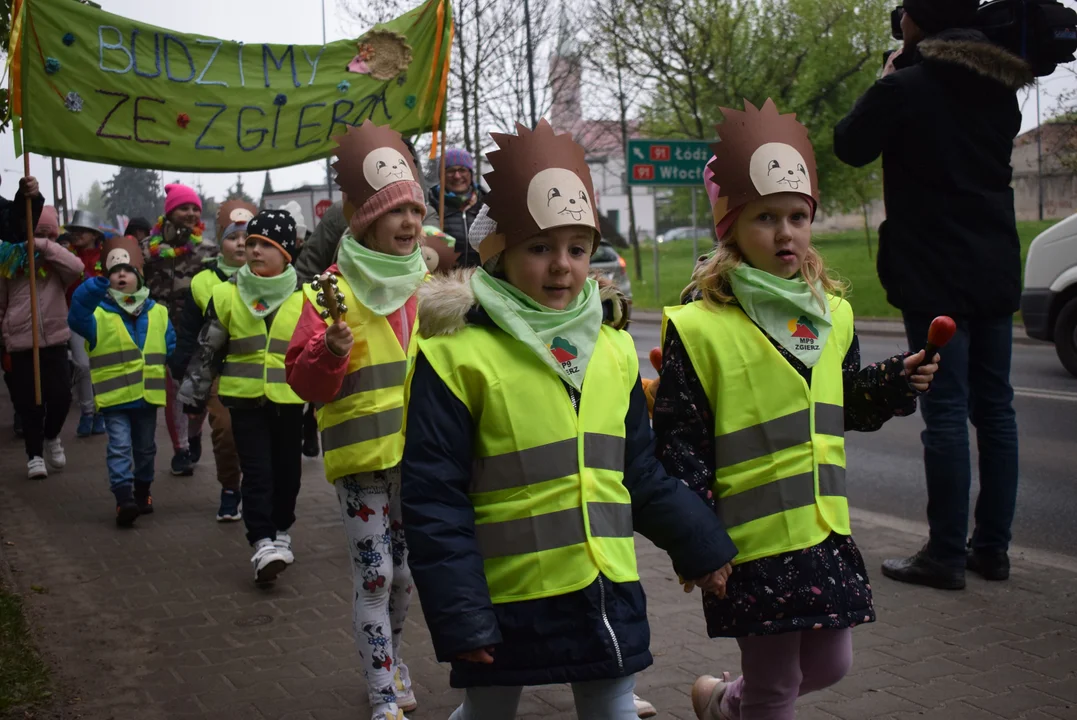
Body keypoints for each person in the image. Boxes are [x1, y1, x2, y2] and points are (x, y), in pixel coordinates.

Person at [400, 119, 734, 720]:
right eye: (539, 247)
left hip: (603, 591)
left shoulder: (609, 350)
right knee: (488, 713)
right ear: (499, 253)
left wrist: (702, 546)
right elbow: (434, 502)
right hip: (505, 602)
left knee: (613, 708)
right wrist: (462, 615)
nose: (562, 266)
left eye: (577, 249)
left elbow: (640, 472)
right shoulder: (454, 357)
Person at [646, 99, 938, 720]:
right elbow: (680, 446)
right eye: (766, 218)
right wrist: (699, 546)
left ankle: (723, 701)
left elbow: (843, 403)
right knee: (776, 689)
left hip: (822, 532)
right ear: (730, 229)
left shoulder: (833, 313)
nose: (785, 233)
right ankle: (739, 704)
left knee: (833, 664)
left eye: (797, 217)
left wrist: (895, 382)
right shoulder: (699, 327)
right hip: (746, 547)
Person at [833, 0, 1031, 589]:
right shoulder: (1001, 89)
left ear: (918, 21)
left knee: (943, 410)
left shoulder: (907, 88)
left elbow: (849, 143)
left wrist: (891, 75)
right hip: (994, 265)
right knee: (996, 410)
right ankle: (991, 549)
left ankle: (944, 554)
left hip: (933, 272)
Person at [285, 121, 431, 720]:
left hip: (417, 462)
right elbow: (303, 379)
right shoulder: (326, 293)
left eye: (416, 213)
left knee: (404, 581)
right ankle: (380, 696)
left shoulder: (431, 288)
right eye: (396, 212)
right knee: (376, 578)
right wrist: (332, 349)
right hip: (361, 465)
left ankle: (393, 662)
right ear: (365, 219)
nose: (410, 224)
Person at [178, 209, 305, 583]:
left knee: (289, 472)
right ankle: (262, 541)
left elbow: (315, 351)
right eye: (250, 243)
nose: (254, 251)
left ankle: (282, 529)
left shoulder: (306, 296)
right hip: (243, 399)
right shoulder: (227, 294)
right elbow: (208, 350)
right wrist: (194, 393)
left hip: (289, 399)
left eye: (265, 244)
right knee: (258, 471)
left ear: (286, 253)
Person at [67, 236, 174, 524]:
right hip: (115, 400)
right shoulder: (97, 314)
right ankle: (124, 498)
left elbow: (169, 346)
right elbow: (76, 318)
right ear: (107, 278)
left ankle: (143, 491)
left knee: (145, 448)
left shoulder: (159, 313)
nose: (121, 275)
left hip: (147, 398)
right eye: (114, 271)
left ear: (139, 276)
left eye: (127, 270)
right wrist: (91, 288)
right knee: (119, 446)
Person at [171, 200, 255, 522]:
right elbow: (189, 332)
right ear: (220, 240)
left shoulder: (269, 277)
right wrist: (183, 369)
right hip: (219, 371)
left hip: (259, 368)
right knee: (226, 431)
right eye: (233, 236)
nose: (241, 244)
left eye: (248, 237)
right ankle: (231, 488)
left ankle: (256, 487)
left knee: (259, 435)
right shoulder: (203, 282)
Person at [0, 191, 84, 479]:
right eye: (38, 232)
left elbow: (77, 268)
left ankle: (52, 436)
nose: (42, 237)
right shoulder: (8, 260)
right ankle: (34, 455)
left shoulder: (57, 260)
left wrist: (45, 247)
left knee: (60, 396)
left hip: (55, 338)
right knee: (28, 402)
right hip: (21, 342)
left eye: (49, 233)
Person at [294, 137, 437, 286]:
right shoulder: (340, 214)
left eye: (415, 211)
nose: (410, 221)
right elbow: (306, 275)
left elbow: (437, 259)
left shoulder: (428, 215)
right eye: (395, 211)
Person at [143, 183, 209, 477]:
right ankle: (181, 449)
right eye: (184, 208)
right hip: (163, 332)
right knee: (174, 391)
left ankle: (194, 434)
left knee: (199, 392)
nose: (191, 213)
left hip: (199, 331)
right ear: (169, 212)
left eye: (195, 208)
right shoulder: (148, 250)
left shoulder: (208, 250)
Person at [61, 209, 108, 437]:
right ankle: (87, 412)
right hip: (76, 317)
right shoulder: (66, 256)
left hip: (103, 317)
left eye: (82, 231)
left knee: (100, 365)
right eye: (74, 231)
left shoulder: (107, 255)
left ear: (94, 234)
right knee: (82, 365)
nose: (77, 235)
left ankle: (100, 412)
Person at [427, 147, 486, 268]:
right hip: (444, 281)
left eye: (462, 170)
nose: (457, 176)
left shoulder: (486, 204)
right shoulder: (431, 204)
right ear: (441, 175)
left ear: (470, 173)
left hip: (483, 280)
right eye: (450, 171)